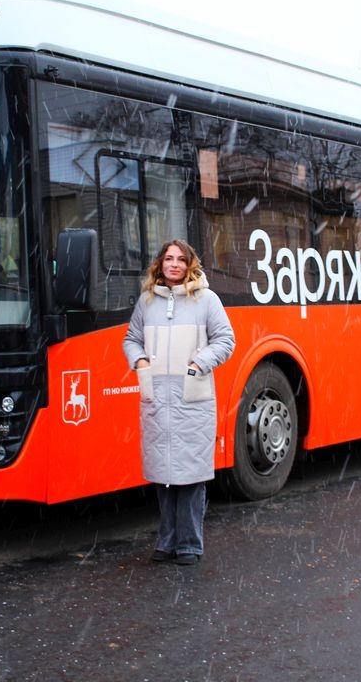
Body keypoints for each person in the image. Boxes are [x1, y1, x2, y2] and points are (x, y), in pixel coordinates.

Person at [123, 239, 235, 566]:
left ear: (190, 264)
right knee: (163, 475)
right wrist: (140, 361)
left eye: (180, 259)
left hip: (192, 399)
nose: (174, 264)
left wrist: (198, 364)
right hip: (158, 399)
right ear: (160, 264)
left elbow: (226, 340)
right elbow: (131, 339)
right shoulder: (147, 302)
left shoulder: (206, 300)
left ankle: (189, 544)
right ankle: (167, 540)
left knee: (190, 477)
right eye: (169, 259)